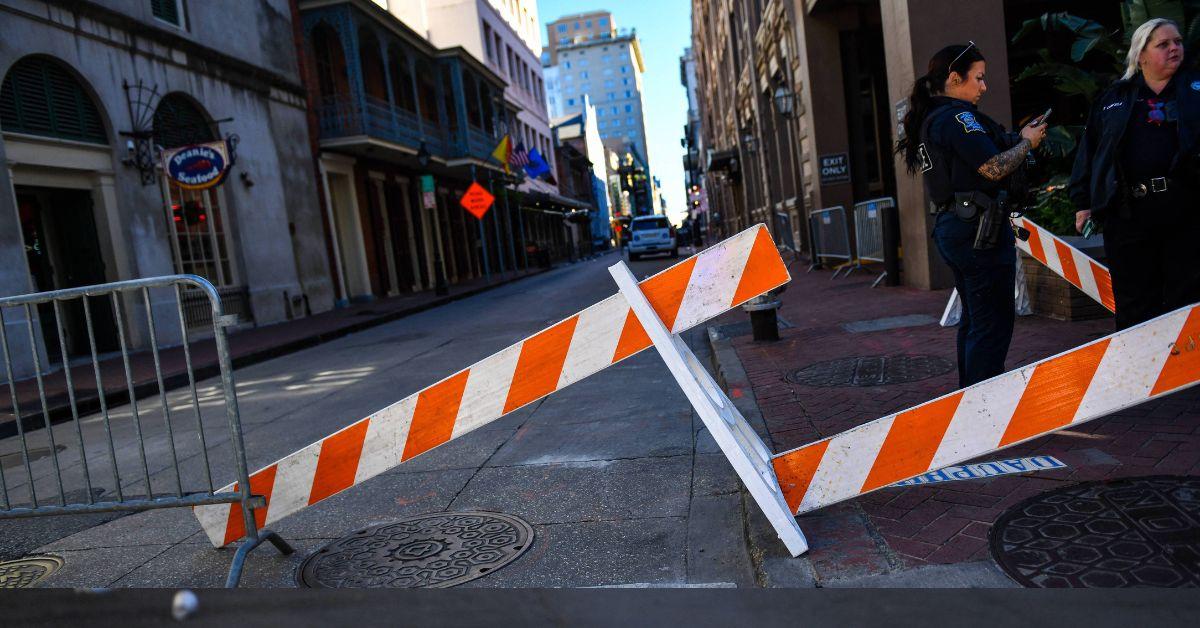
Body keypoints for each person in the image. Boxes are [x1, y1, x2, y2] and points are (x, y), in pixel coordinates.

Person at [895, 42, 1047, 387]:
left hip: (961, 226)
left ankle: (971, 399)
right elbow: (993, 168)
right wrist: (1027, 144)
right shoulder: (956, 118)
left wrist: (1018, 139)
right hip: (977, 230)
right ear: (953, 78)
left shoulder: (934, 118)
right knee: (991, 322)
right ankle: (985, 406)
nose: (983, 86)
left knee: (977, 320)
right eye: (978, 78)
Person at [1069, 18, 1200, 330]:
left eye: (1178, 42)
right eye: (1164, 44)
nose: (1174, 48)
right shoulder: (1114, 98)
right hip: (1129, 214)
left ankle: (1188, 376)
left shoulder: (1195, 89)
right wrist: (1083, 201)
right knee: (1134, 303)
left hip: (1187, 210)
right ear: (1141, 54)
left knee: (1187, 300)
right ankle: (1142, 374)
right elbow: (1091, 151)